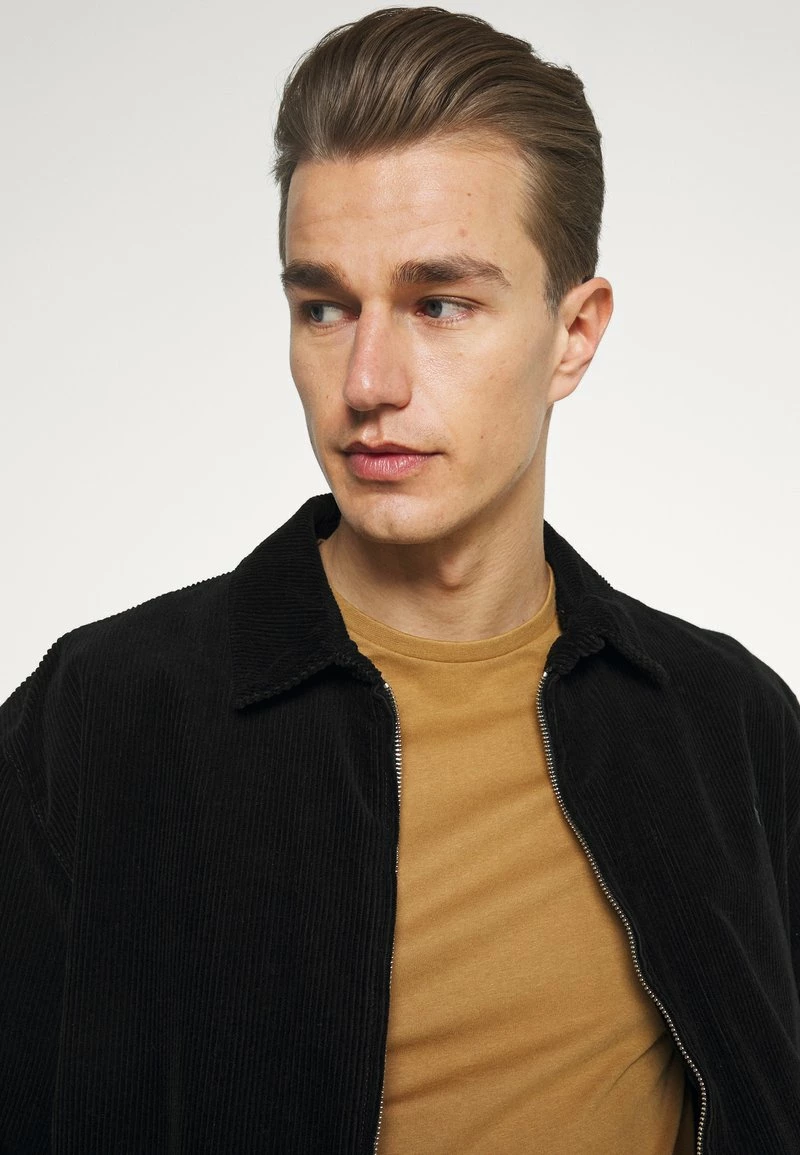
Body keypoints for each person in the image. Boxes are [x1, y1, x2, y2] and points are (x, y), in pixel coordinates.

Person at [1, 6, 798, 1152]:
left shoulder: (727, 724)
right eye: (324, 307)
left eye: (438, 304)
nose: (367, 381)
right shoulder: (101, 717)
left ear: (572, 334)